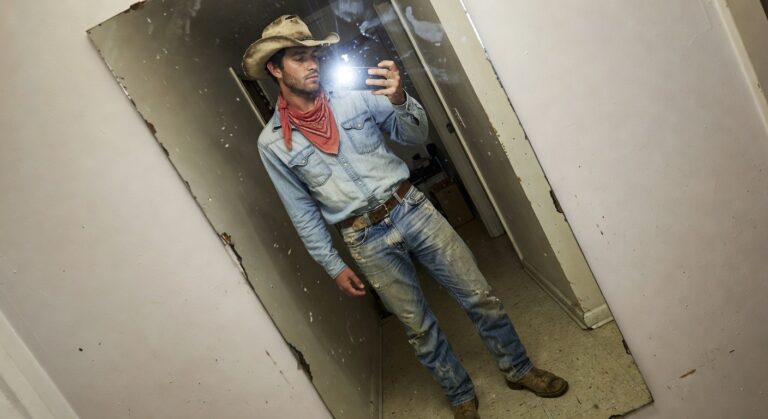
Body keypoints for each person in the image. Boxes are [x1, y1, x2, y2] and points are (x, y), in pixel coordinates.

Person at [242, 14, 568, 419]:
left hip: (411, 208)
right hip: (364, 239)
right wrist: (332, 265)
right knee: (418, 328)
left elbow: (413, 135)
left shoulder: (355, 97)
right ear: (275, 69)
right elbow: (302, 210)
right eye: (298, 58)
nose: (312, 65)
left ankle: (518, 369)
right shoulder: (273, 144)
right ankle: (460, 396)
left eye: (314, 56)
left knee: (479, 295)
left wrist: (399, 98)